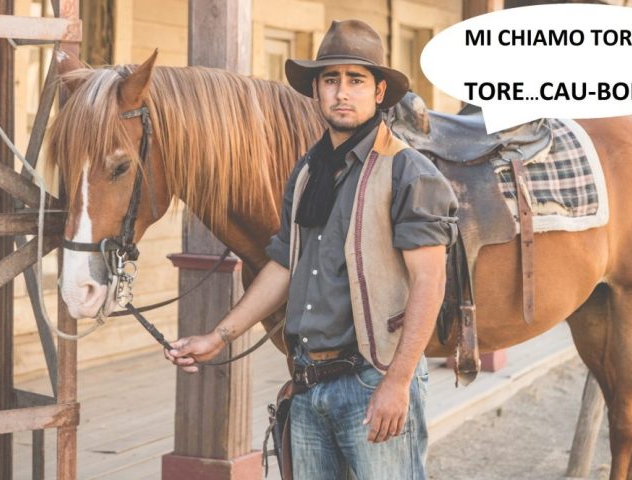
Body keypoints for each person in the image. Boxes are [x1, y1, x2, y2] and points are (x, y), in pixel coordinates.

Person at [164, 19, 458, 479]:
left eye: (356, 80)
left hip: (371, 381)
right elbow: (283, 265)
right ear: (317, 91)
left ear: (379, 92)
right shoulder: (305, 174)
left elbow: (429, 281)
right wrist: (216, 338)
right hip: (307, 384)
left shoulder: (408, 173)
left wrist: (398, 382)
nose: (343, 92)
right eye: (331, 80)